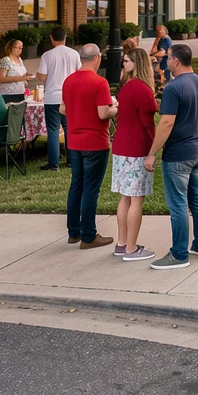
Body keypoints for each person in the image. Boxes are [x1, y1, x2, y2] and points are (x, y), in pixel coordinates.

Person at [148, 45, 198, 270]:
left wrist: (151, 153)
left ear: (175, 60)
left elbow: (166, 122)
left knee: (178, 204)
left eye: (168, 59)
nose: (166, 63)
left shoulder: (174, 87)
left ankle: (179, 254)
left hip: (178, 154)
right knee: (197, 198)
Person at [61, 44, 116, 249]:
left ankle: (73, 232)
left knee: (77, 185)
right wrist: (115, 108)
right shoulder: (100, 82)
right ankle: (89, 235)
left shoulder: (69, 81)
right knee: (91, 189)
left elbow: (63, 108)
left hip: (74, 141)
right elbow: (103, 113)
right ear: (97, 58)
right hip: (95, 141)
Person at [112, 48, 157, 262]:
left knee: (125, 197)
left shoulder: (126, 88)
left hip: (121, 146)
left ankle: (121, 244)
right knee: (136, 200)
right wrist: (155, 150)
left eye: (127, 61)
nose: (123, 64)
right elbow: (148, 125)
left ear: (137, 62)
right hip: (137, 148)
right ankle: (131, 248)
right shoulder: (142, 90)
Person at [35, 26, 81, 171]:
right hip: (69, 97)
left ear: (51, 38)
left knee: (53, 130)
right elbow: (79, 72)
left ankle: (53, 163)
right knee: (69, 129)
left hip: (52, 97)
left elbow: (42, 76)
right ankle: (71, 160)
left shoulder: (47, 55)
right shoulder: (74, 54)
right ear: (65, 37)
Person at [0, 38, 33, 103]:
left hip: (20, 92)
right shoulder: (6, 60)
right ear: (11, 48)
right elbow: (1, 78)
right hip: (8, 94)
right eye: (17, 48)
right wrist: (22, 78)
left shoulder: (20, 59)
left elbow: (21, 73)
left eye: (21, 48)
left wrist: (26, 77)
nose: (20, 50)